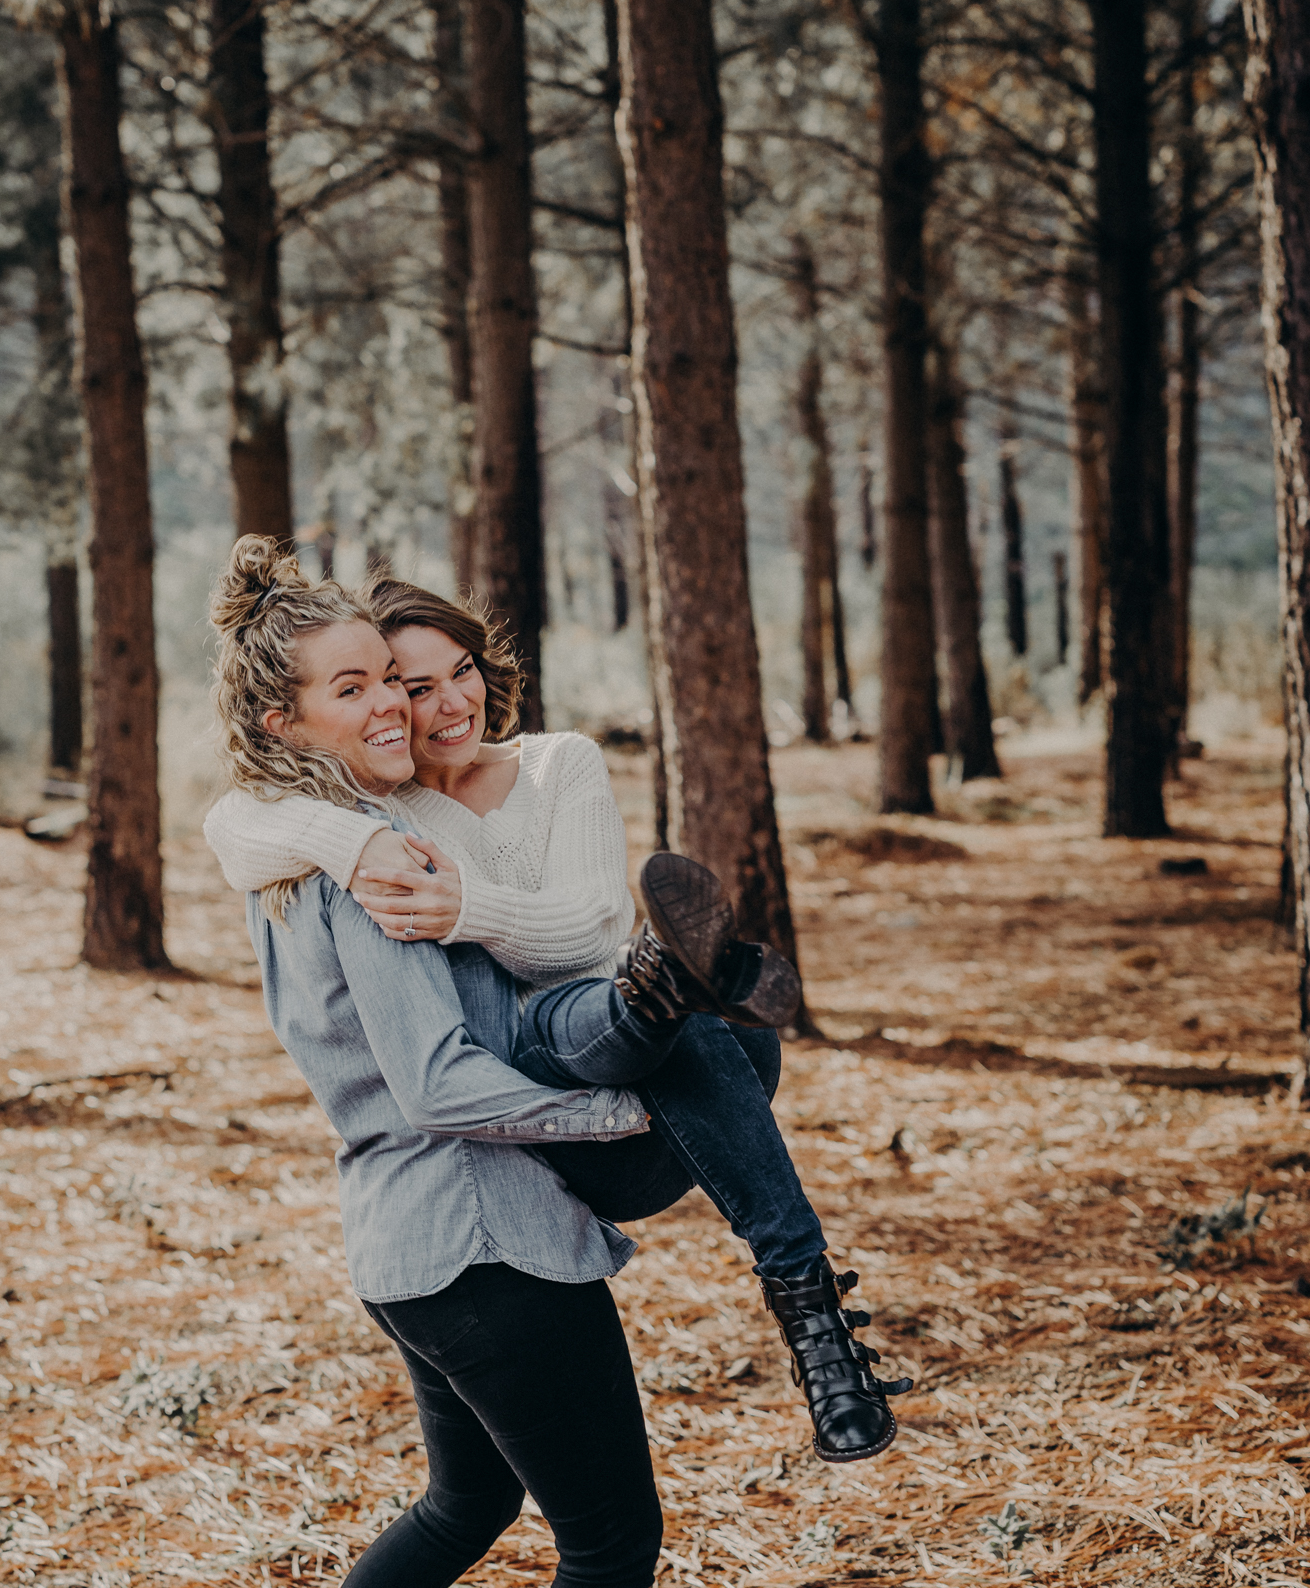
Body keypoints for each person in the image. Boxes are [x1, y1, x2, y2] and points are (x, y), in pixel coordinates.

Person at [206, 538, 703, 1588]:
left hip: (405, 1245)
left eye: (389, 680)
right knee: (610, 1538)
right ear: (280, 719)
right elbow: (433, 1081)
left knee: (465, 1504)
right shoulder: (360, 862)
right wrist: (611, 1115)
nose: (386, 708)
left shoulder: (309, 846)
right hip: (483, 1243)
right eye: (347, 687)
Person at [205, 572, 911, 1465]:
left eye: (455, 671)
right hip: (541, 1097)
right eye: (409, 686)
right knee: (636, 1008)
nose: (443, 701)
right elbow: (231, 820)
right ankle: (810, 1311)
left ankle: (802, 1293)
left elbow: (586, 926)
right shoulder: (379, 808)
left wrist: (465, 908)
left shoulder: (558, 762)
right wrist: (353, 839)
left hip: (655, 1085)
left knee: (701, 1025)